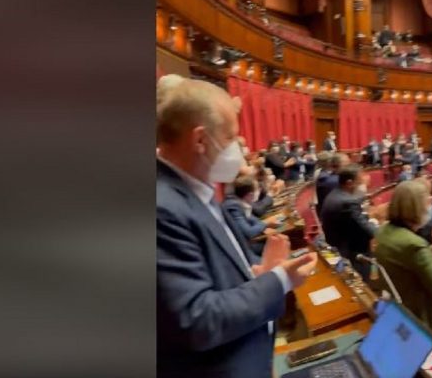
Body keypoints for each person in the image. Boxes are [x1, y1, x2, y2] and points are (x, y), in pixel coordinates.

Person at [156, 76, 318, 378]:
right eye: (231, 138)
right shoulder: (162, 207)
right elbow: (197, 318)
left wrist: (258, 272)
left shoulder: (196, 191)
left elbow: (215, 271)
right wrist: (279, 280)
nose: (239, 153)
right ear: (200, 140)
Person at [373, 180, 432, 344]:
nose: (429, 209)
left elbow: (409, 266)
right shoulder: (415, 245)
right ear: (417, 208)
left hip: (396, 310)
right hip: (420, 320)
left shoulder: (383, 231)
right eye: (427, 204)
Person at [319, 164, 378, 279]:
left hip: (337, 243)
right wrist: (378, 227)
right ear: (349, 183)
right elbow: (370, 231)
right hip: (351, 254)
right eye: (360, 182)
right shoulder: (348, 202)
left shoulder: (336, 193)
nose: (363, 186)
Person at [223, 175, 281, 257]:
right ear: (250, 195)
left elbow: (254, 220)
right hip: (243, 249)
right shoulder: (233, 206)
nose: (259, 191)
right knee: (276, 242)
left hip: (250, 242)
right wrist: (265, 224)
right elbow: (249, 233)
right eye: (257, 189)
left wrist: (263, 226)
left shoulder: (240, 202)